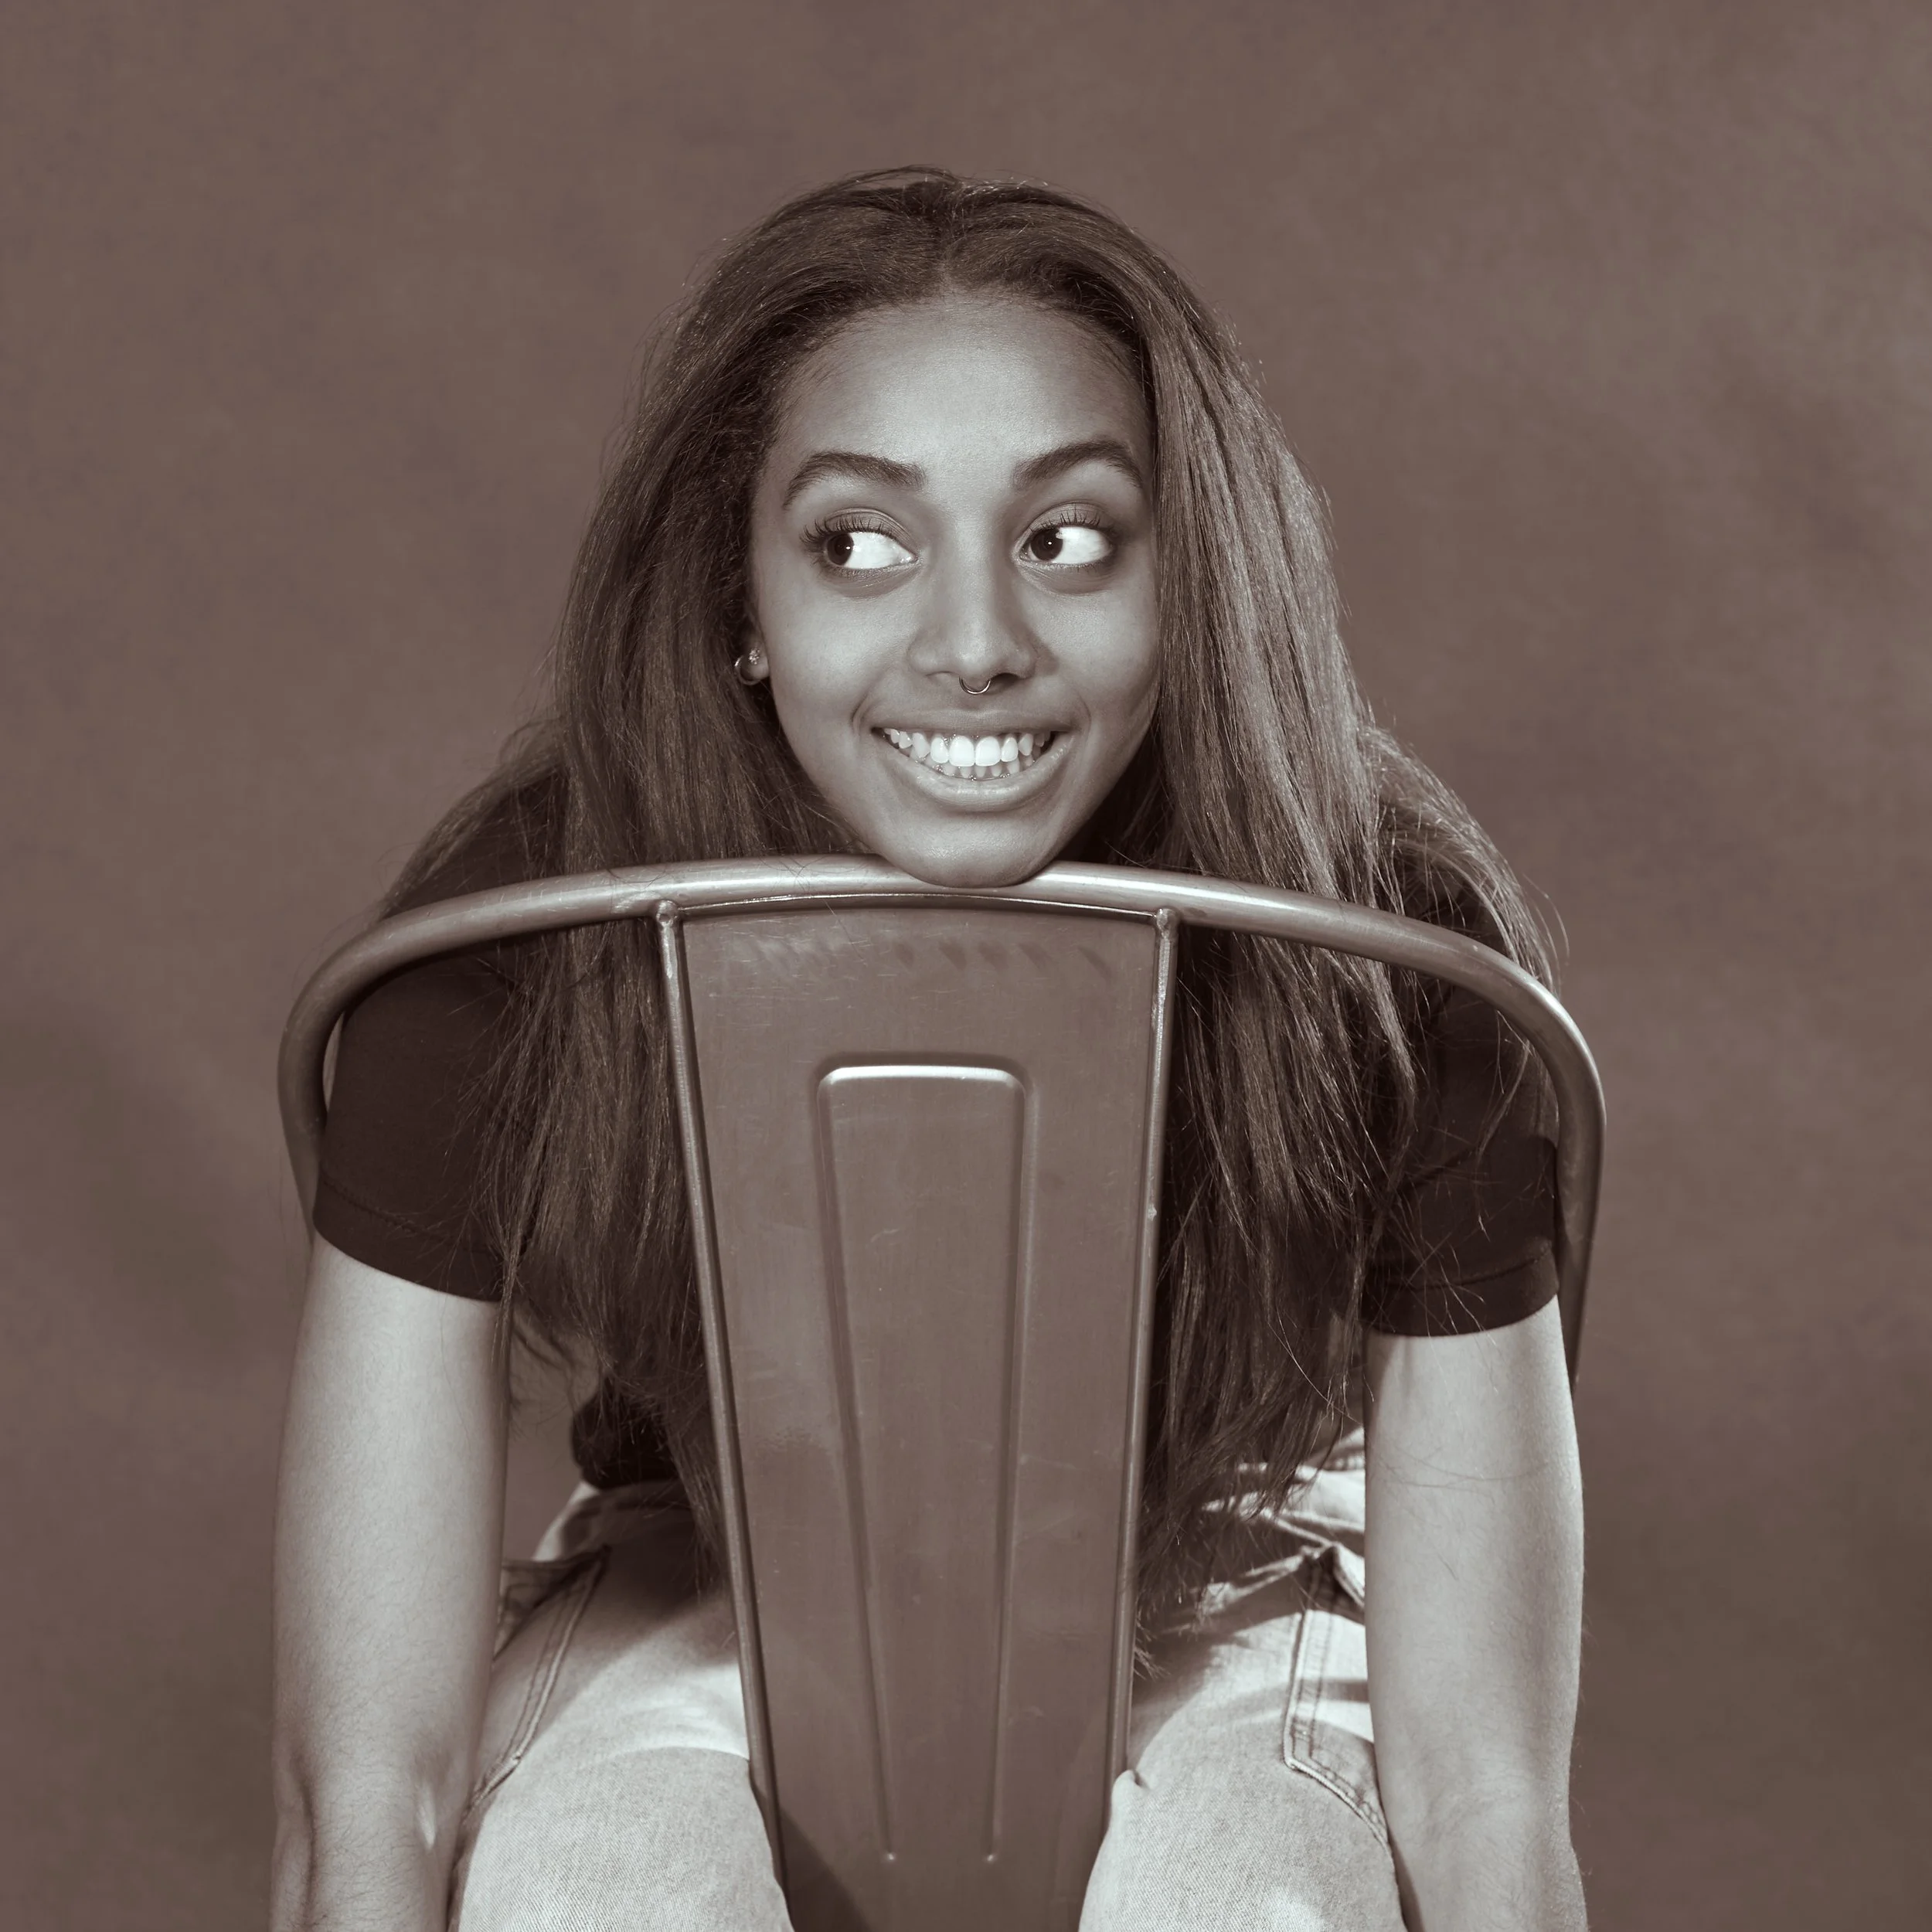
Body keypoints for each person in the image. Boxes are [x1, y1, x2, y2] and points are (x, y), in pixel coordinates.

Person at [270, 168, 1587, 1931]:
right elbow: (368, 1786)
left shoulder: (1393, 953)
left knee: (1249, 1901)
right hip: (700, 1568)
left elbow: (1479, 1781)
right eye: (857, 543)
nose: (972, 646)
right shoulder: (512, 945)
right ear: (739, 595)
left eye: (1067, 539)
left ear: (1184, 576)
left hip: (1236, 1557)